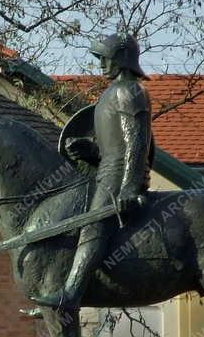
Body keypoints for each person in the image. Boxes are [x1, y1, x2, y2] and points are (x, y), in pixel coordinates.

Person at [30, 32, 155, 310]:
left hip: (118, 175)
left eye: (104, 57)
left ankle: (71, 293)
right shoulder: (114, 93)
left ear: (121, 58)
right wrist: (92, 151)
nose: (100, 64)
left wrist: (130, 186)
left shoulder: (129, 91)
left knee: (92, 225)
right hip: (105, 170)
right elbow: (116, 144)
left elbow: (137, 142)